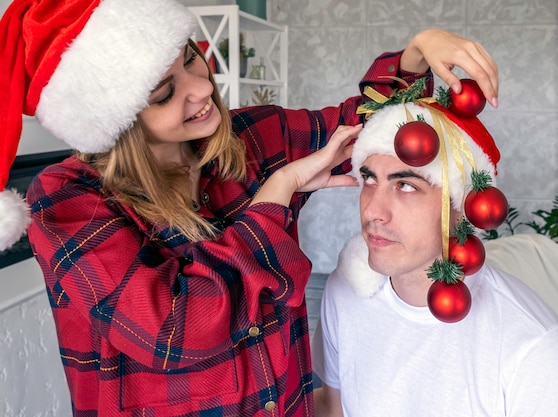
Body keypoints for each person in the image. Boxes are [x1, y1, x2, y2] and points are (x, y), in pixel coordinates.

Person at [0, 0, 499, 416]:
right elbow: (172, 329)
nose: (200, 90)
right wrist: (276, 193)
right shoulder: (66, 199)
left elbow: (364, 126)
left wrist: (415, 52)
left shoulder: (252, 138)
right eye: (164, 93)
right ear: (119, 119)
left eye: (191, 59)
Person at [312, 94, 558, 415]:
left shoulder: (530, 343)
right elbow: (334, 408)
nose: (373, 210)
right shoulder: (345, 292)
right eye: (369, 179)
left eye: (405, 185)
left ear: (460, 206)